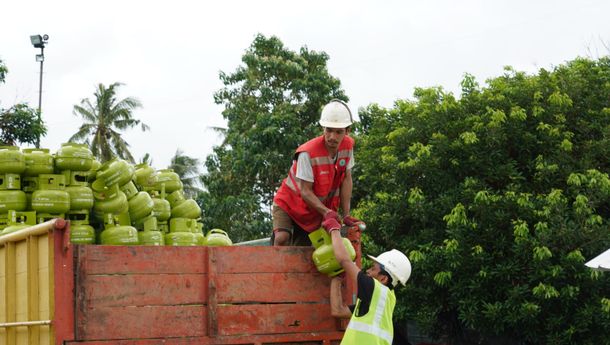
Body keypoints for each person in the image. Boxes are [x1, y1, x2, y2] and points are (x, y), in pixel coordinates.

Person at [271, 99, 361, 246]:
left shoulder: (348, 146)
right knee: (282, 238)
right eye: (329, 130)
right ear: (323, 129)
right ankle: (271, 267)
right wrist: (326, 212)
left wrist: (346, 215)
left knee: (305, 253)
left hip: (313, 212)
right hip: (289, 203)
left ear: (347, 131)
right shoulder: (307, 153)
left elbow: (346, 179)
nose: (332, 137)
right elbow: (305, 191)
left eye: (338, 132)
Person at [324, 215, 412, 345]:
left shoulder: (375, 289)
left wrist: (334, 229)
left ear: (383, 278)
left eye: (373, 269)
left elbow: (344, 260)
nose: (368, 271)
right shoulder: (384, 299)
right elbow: (338, 311)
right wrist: (336, 278)